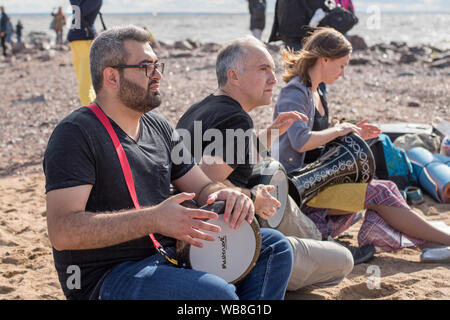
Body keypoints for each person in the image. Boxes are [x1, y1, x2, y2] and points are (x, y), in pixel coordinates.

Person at [43, 25, 293, 300]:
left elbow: (202, 187)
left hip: (168, 253)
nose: (158, 74)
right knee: (216, 295)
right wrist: (154, 219)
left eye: (157, 64)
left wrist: (225, 194)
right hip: (108, 277)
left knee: (275, 248)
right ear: (112, 77)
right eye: (146, 67)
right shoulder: (76, 133)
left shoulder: (159, 127)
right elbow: (63, 231)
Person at [176, 36, 354, 292]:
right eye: (263, 70)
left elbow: (223, 160)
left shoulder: (202, 108)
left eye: (273, 69)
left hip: (202, 243)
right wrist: (252, 197)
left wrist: (271, 132)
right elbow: (203, 182)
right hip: (228, 247)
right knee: (343, 261)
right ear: (234, 76)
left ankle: (314, 242)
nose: (274, 78)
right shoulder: (236, 119)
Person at [273, 27, 450, 262]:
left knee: (382, 186)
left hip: (317, 182)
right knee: (382, 191)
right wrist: (338, 129)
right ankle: (440, 241)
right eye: (342, 65)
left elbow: (318, 142)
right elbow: (301, 141)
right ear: (324, 59)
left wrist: (353, 132)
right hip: (298, 191)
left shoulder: (316, 92)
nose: (343, 73)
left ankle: (432, 241)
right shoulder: (295, 92)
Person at [67, 0, 101, 106]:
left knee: (84, 91)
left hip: (86, 44)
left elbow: (78, 11)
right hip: (76, 43)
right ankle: (97, 116)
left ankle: (92, 121)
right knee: (85, 87)